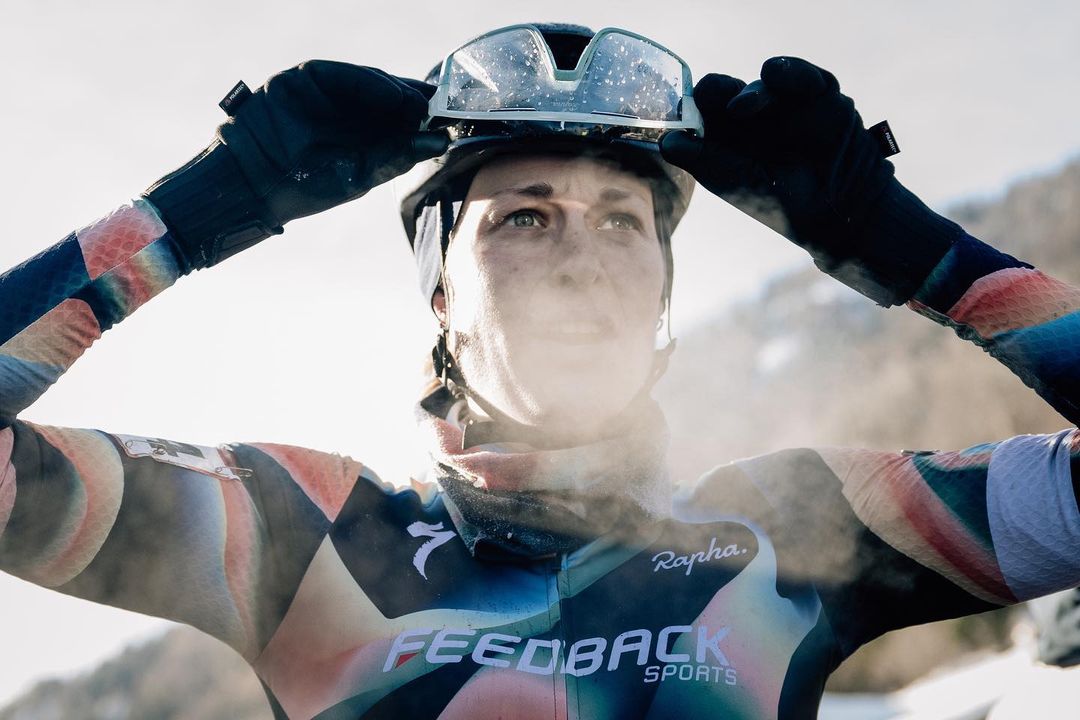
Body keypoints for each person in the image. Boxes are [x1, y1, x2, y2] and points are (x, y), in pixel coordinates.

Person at [1, 22, 1078, 720]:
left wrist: (899, 243)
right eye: (524, 217)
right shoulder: (303, 531)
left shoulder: (798, 526)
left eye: (622, 220)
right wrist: (210, 204)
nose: (581, 258)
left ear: (661, 293)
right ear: (441, 296)